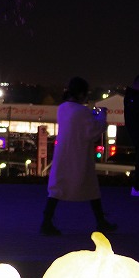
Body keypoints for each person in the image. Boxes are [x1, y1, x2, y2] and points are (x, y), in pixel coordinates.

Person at [42, 76, 117, 236]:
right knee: (91, 188)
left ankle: (46, 222)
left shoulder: (62, 108)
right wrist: (102, 116)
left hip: (63, 153)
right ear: (82, 93)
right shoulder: (82, 111)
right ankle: (101, 222)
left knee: (57, 188)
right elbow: (94, 132)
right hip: (80, 154)